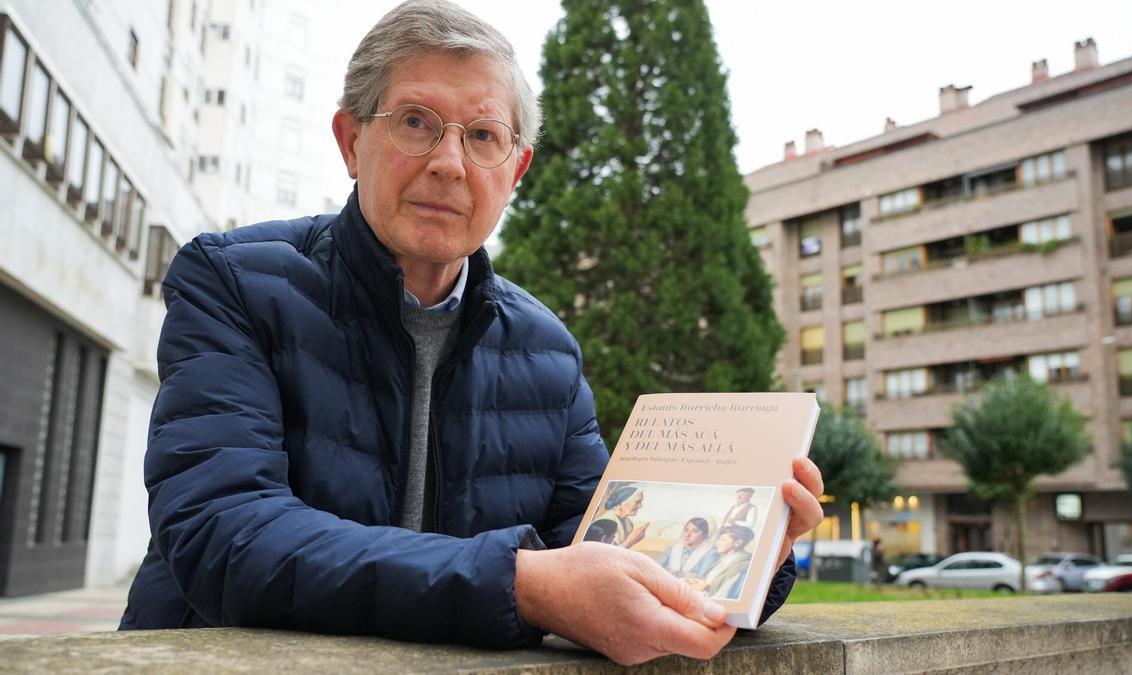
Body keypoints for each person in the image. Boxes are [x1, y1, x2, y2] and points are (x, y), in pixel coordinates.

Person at [117, 0, 826, 666]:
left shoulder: (548, 350)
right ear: (351, 139)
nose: (449, 163)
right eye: (416, 121)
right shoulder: (233, 283)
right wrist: (520, 584)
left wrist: (748, 550)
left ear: (514, 170)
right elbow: (222, 532)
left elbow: (598, 549)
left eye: (483, 135)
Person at [689, 526, 755, 600]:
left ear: (738, 543)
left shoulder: (740, 567)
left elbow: (722, 597)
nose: (717, 542)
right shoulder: (723, 560)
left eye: (722, 540)